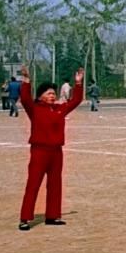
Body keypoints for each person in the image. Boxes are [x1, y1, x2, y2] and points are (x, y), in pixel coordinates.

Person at [17, 67, 85, 229]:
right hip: (39, 151)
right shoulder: (34, 109)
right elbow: (25, 99)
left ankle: (53, 216)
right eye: (48, 93)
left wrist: (78, 83)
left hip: (56, 152)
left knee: (55, 184)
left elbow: (76, 101)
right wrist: (26, 81)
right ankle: (25, 218)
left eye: (53, 93)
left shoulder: (60, 109)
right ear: (40, 96)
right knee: (33, 184)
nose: (52, 96)